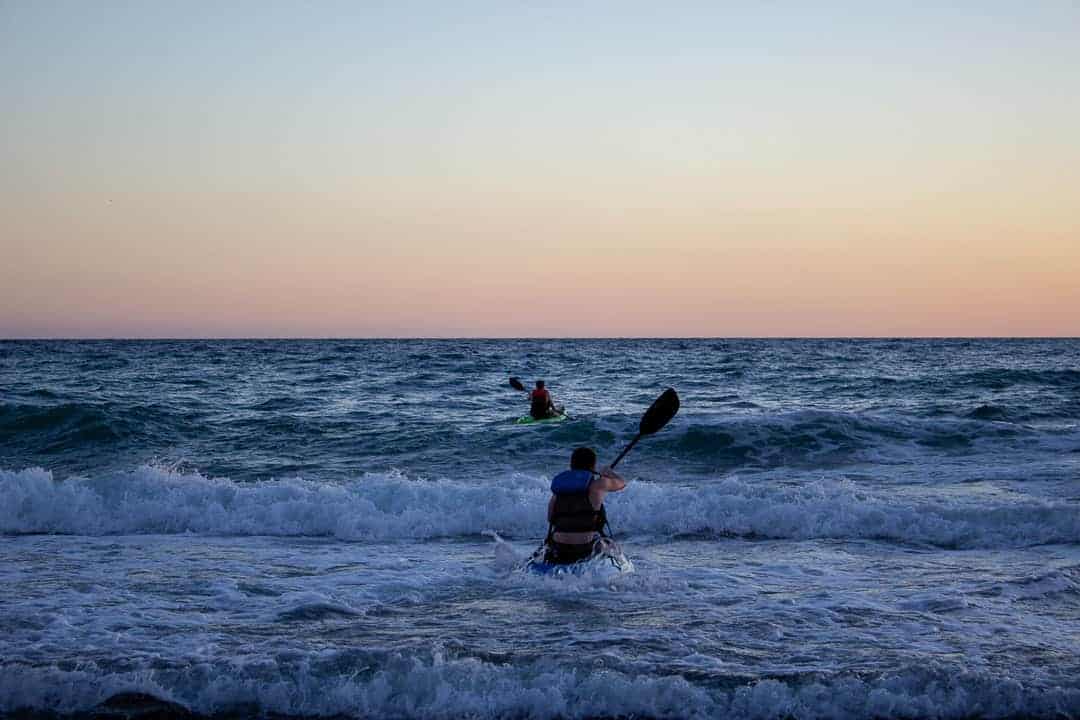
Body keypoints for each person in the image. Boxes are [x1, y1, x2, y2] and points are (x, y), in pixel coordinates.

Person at [543, 447, 627, 564]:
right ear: (593, 466)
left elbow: (550, 518)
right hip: (586, 547)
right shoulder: (598, 485)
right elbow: (622, 483)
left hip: (560, 547)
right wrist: (608, 473)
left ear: (571, 465)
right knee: (611, 546)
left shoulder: (559, 490)